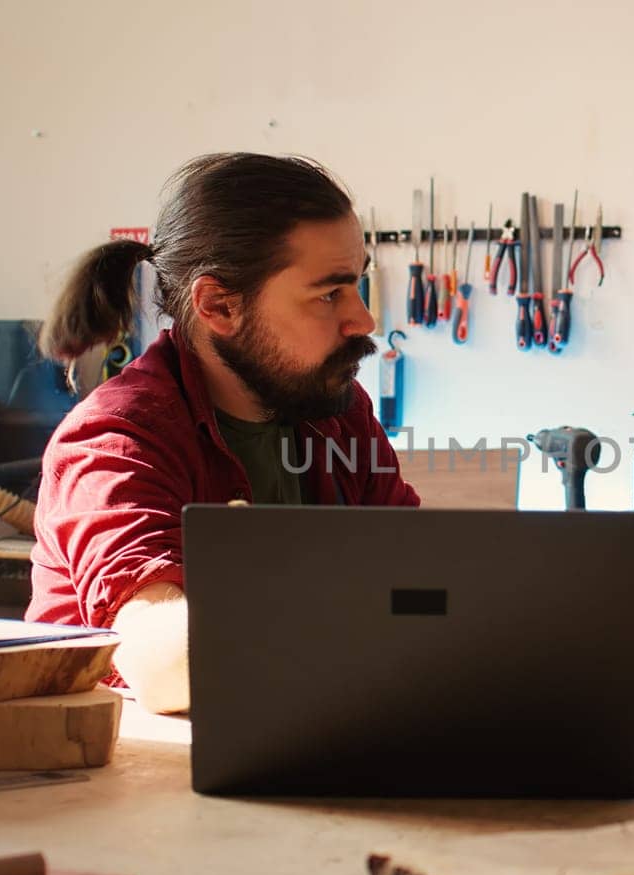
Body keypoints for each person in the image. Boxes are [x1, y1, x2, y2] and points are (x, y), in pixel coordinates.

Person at [26, 153, 419, 713]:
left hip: (297, 744)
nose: (363, 320)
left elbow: (419, 580)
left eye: (355, 287)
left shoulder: (336, 412)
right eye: (329, 294)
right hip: (132, 786)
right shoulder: (116, 438)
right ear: (218, 306)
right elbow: (167, 668)